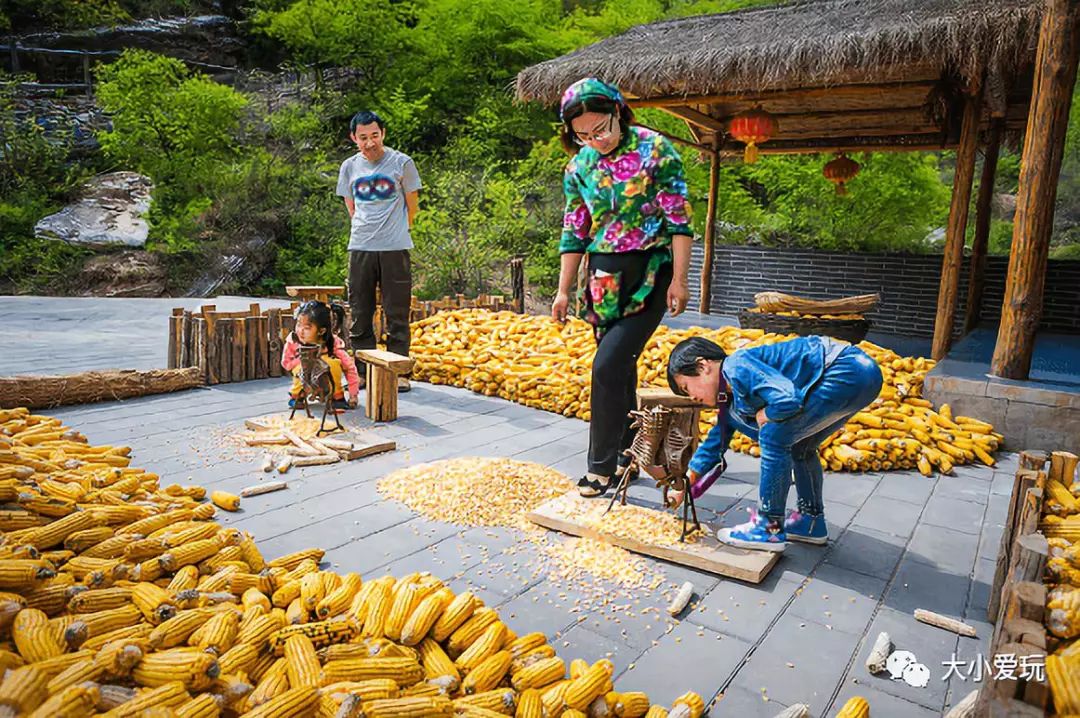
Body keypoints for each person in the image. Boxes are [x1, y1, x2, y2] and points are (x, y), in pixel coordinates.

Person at [552, 77, 694, 498]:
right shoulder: (579, 166)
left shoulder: (655, 149)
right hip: (602, 279)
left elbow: (679, 220)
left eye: (601, 129)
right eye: (582, 135)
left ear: (620, 112)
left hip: (650, 271)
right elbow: (574, 230)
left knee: (607, 366)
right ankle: (625, 454)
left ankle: (600, 470)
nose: (594, 140)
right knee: (620, 369)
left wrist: (682, 279)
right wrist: (562, 290)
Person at [666, 335, 883, 552]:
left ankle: (768, 528)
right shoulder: (730, 403)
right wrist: (686, 484)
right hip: (863, 376)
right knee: (801, 446)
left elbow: (787, 399)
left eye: (686, 387)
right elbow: (714, 445)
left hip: (846, 369)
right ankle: (811, 522)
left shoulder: (735, 366)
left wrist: (767, 413)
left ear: (703, 366)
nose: (691, 397)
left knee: (773, 435)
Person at [337, 110, 421, 392]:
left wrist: (396, 231)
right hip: (360, 247)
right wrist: (366, 229)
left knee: (397, 312)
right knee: (360, 310)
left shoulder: (402, 163)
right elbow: (350, 206)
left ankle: (398, 372)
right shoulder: (349, 167)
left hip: (395, 248)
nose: (369, 142)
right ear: (354, 138)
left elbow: (413, 206)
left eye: (374, 135)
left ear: (382, 134)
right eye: (363, 138)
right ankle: (362, 372)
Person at [282, 301, 361, 411]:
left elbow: (349, 367)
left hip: (325, 378)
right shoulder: (293, 341)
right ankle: (297, 396)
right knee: (303, 367)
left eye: (307, 328)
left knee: (333, 363)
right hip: (304, 376)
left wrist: (353, 394)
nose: (301, 331)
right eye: (299, 325)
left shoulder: (332, 343)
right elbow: (286, 363)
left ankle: (336, 396)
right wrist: (303, 359)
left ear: (321, 331)